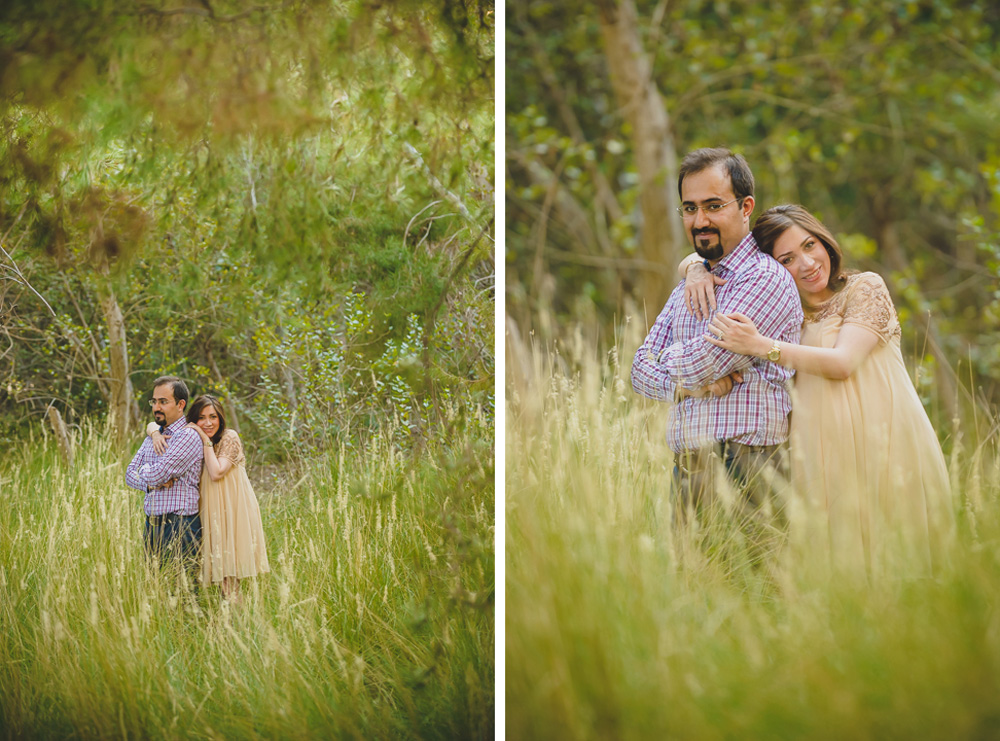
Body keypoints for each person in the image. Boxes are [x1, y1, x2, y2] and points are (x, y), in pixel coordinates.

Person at [686, 204, 953, 576]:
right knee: (839, 576)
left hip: (889, 447)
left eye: (810, 245)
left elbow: (843, 364)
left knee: (903, 566)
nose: (808, 263)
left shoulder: (865, 288)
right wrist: (695, 268)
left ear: (824, 241)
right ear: (773, 268)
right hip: (820, 459)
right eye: (788, 258)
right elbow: (722, 260)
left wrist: (761, 345)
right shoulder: (783, 311)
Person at [631, 148, 804, 532]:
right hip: (687, 466)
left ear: (745, 207)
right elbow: (637, 371)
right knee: (691, 589)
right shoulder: (687, 286)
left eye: (713, 206)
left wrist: (673, 369)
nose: (700, 220)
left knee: (753, 589)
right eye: (690, 208)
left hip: (747, 464)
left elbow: (703, 361)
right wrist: (691, 390)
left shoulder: (764, 278)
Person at [148, 394, 269, 601]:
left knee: (229, 576)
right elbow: (153, 423)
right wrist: (155, 435)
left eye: (213, 417)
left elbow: (216, 472)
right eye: (202, 418)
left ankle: (237, 622)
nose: (208, 423)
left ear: (220, 418)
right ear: (194, 419)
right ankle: (224, 621)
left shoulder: (229, 437)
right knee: (218, 572)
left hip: (232, 509)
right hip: (208, 510)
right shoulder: (192, 438)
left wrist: (203, 438)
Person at [125, 376, 204, 574]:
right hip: (152, 525)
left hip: (179, 526)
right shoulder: (154, 435)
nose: (156, 407)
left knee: (180, 592)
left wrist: (146, 473)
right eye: (154, 401)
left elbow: (160, 473)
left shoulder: (188, 436)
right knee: (154, 589)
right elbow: (128, 474)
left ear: (180, 404)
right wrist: (150, 485)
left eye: (163, 402)